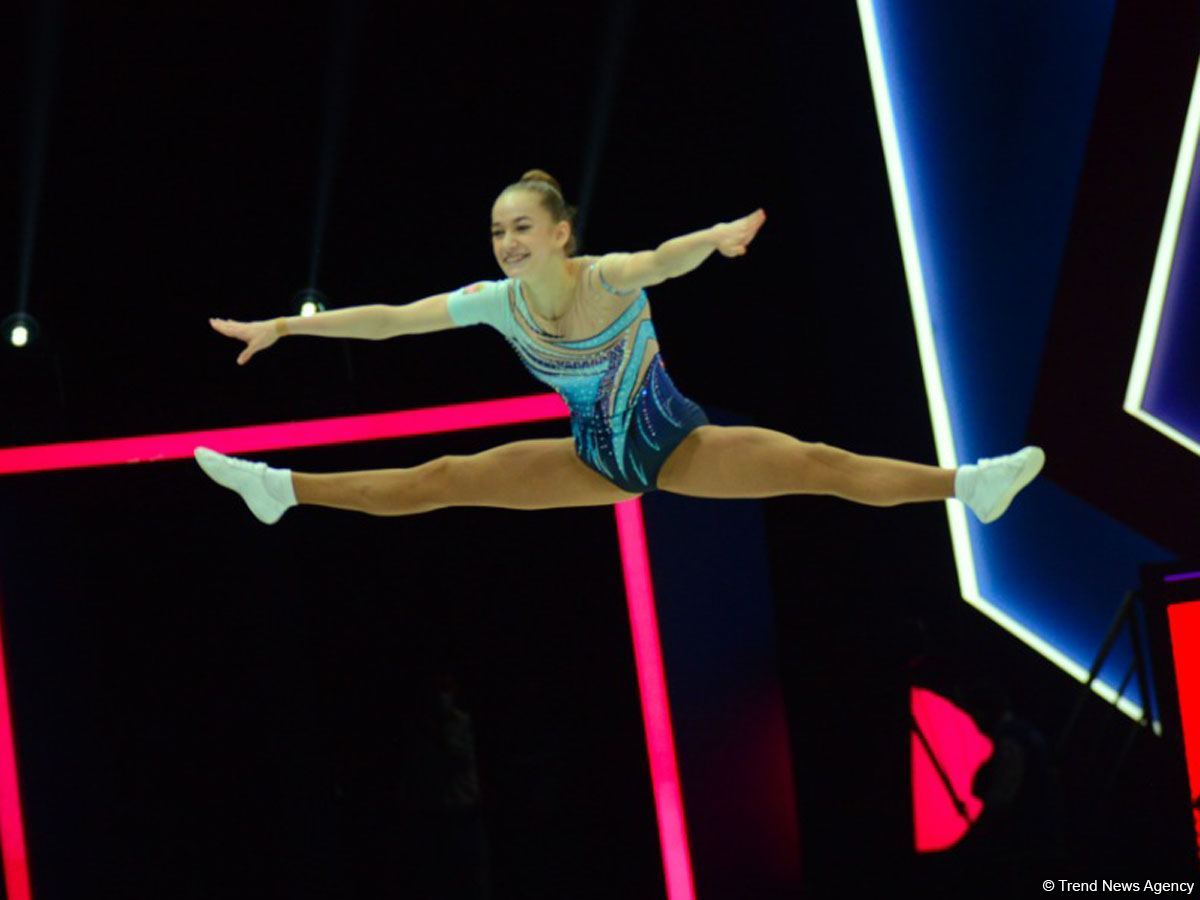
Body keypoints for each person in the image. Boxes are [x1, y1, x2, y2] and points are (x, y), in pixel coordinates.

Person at [194, 169, 1044, 525]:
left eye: (522, 228)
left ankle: (970, 486)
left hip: (678, 446)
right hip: (593, 462)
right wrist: (286, 327)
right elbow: (391, 319)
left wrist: (712, 239)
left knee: (820, 465)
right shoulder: (495, 302)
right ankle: (280, 490)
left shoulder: (604, 279)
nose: (507, 243)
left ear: (560, 233)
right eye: (498, 231)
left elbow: (662, 260)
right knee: (443, 478)